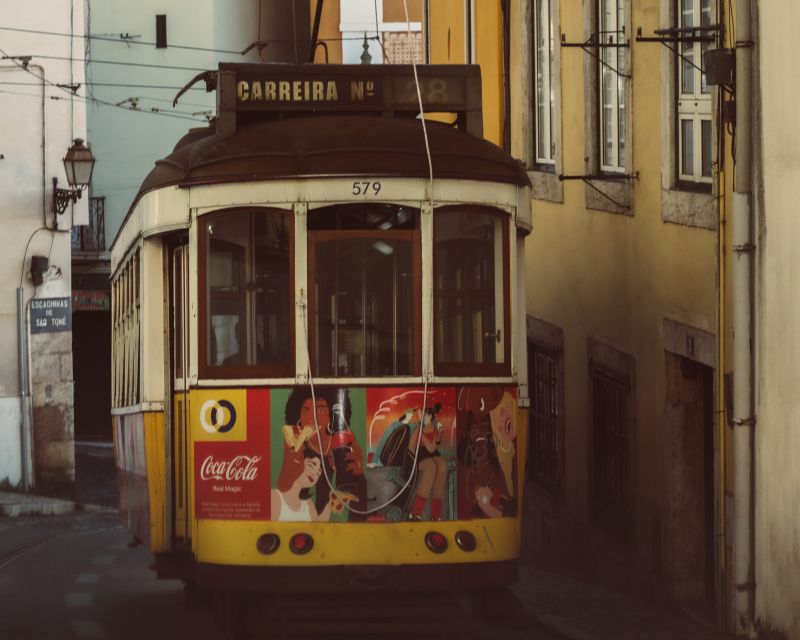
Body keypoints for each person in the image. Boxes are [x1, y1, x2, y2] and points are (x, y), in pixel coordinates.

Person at [282, 387, 366, 520]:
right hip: (301, 511)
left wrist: (357, 465)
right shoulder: (294, 438)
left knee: (360, 480)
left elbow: (357, 466)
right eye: (305, 410)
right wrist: (293, 462)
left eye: (320, 410)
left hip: (342, 494)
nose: (312, 419)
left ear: (332, 415)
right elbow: (283, 485)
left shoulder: (343, 435)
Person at [406, 404, 448, 521]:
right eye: (424, 416)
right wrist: (420, 435)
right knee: (431, 467)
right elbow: (410, 448)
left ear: (432, 417)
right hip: (421, 456)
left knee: (443, 467)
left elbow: (432, 448)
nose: (426, 418)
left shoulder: (434, 430)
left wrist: (437, 433)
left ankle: (436, 514)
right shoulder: (417, 430)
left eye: (428, 416)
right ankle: (415, 513)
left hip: (432, 454)